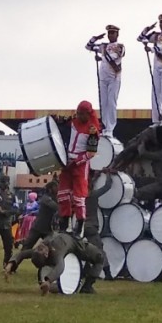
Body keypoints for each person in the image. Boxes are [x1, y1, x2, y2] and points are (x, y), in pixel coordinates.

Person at [56, 101, 100, 237]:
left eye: (82, 114)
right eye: (78, 113)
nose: (79, 116)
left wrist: (77, 161)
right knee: (63, 194)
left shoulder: (93, 129)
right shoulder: (72, 122)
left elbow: (91, 153)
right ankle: (65, 225)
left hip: (80, 166)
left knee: (79, 197)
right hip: (67, 162)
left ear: (88, 114)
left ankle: (79, 227)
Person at [4, 181, 59, 275]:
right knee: (26, 247)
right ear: (50, 189)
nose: (57, 189)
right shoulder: (45, 198)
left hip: (48, 230)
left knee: (50, 248)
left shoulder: (54, 198)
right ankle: (12, 268)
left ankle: (48, 270)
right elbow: (55, 207)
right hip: (37, 228)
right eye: (56, 187)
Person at [137, 14, 162, 126]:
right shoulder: (156, 35)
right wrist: (147, 29)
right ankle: (156, 120)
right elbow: (140, 38)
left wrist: (150, 49)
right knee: (155, 93)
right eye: (161, 22)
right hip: (157, 67)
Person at [31, 232, 104, 294]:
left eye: (39, 249)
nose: (40, 247)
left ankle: (84, 279)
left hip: (69, 238)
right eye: (40, 249)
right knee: (99, 258)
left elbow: (22, 254)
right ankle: (87, 287)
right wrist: (48, 281)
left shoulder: (42, 250)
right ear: (46, 255)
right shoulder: (56, 253)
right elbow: (60, 267)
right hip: (75, 244)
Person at [85, 25, 125, 137]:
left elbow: (112, 57)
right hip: (103, 78)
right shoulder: (103, 46)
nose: (111, 35)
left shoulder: (120, 46)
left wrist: (100, 57)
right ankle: (104, 126)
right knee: (104, 103)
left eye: (113, 33)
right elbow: (88, 47)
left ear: (117, 34)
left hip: (114, 77)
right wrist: (95, 38)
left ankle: (110, 128)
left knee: (111, 102)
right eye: (109, 33)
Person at [84, 170, 114, 278]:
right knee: (99, 250)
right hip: (91, 226)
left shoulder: (80, 196)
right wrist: (108, 174)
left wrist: (96, 176)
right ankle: (108, 273)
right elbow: (107, 186)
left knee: (81, 249)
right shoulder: (93, 195)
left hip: (81, 226)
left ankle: (83, 271)